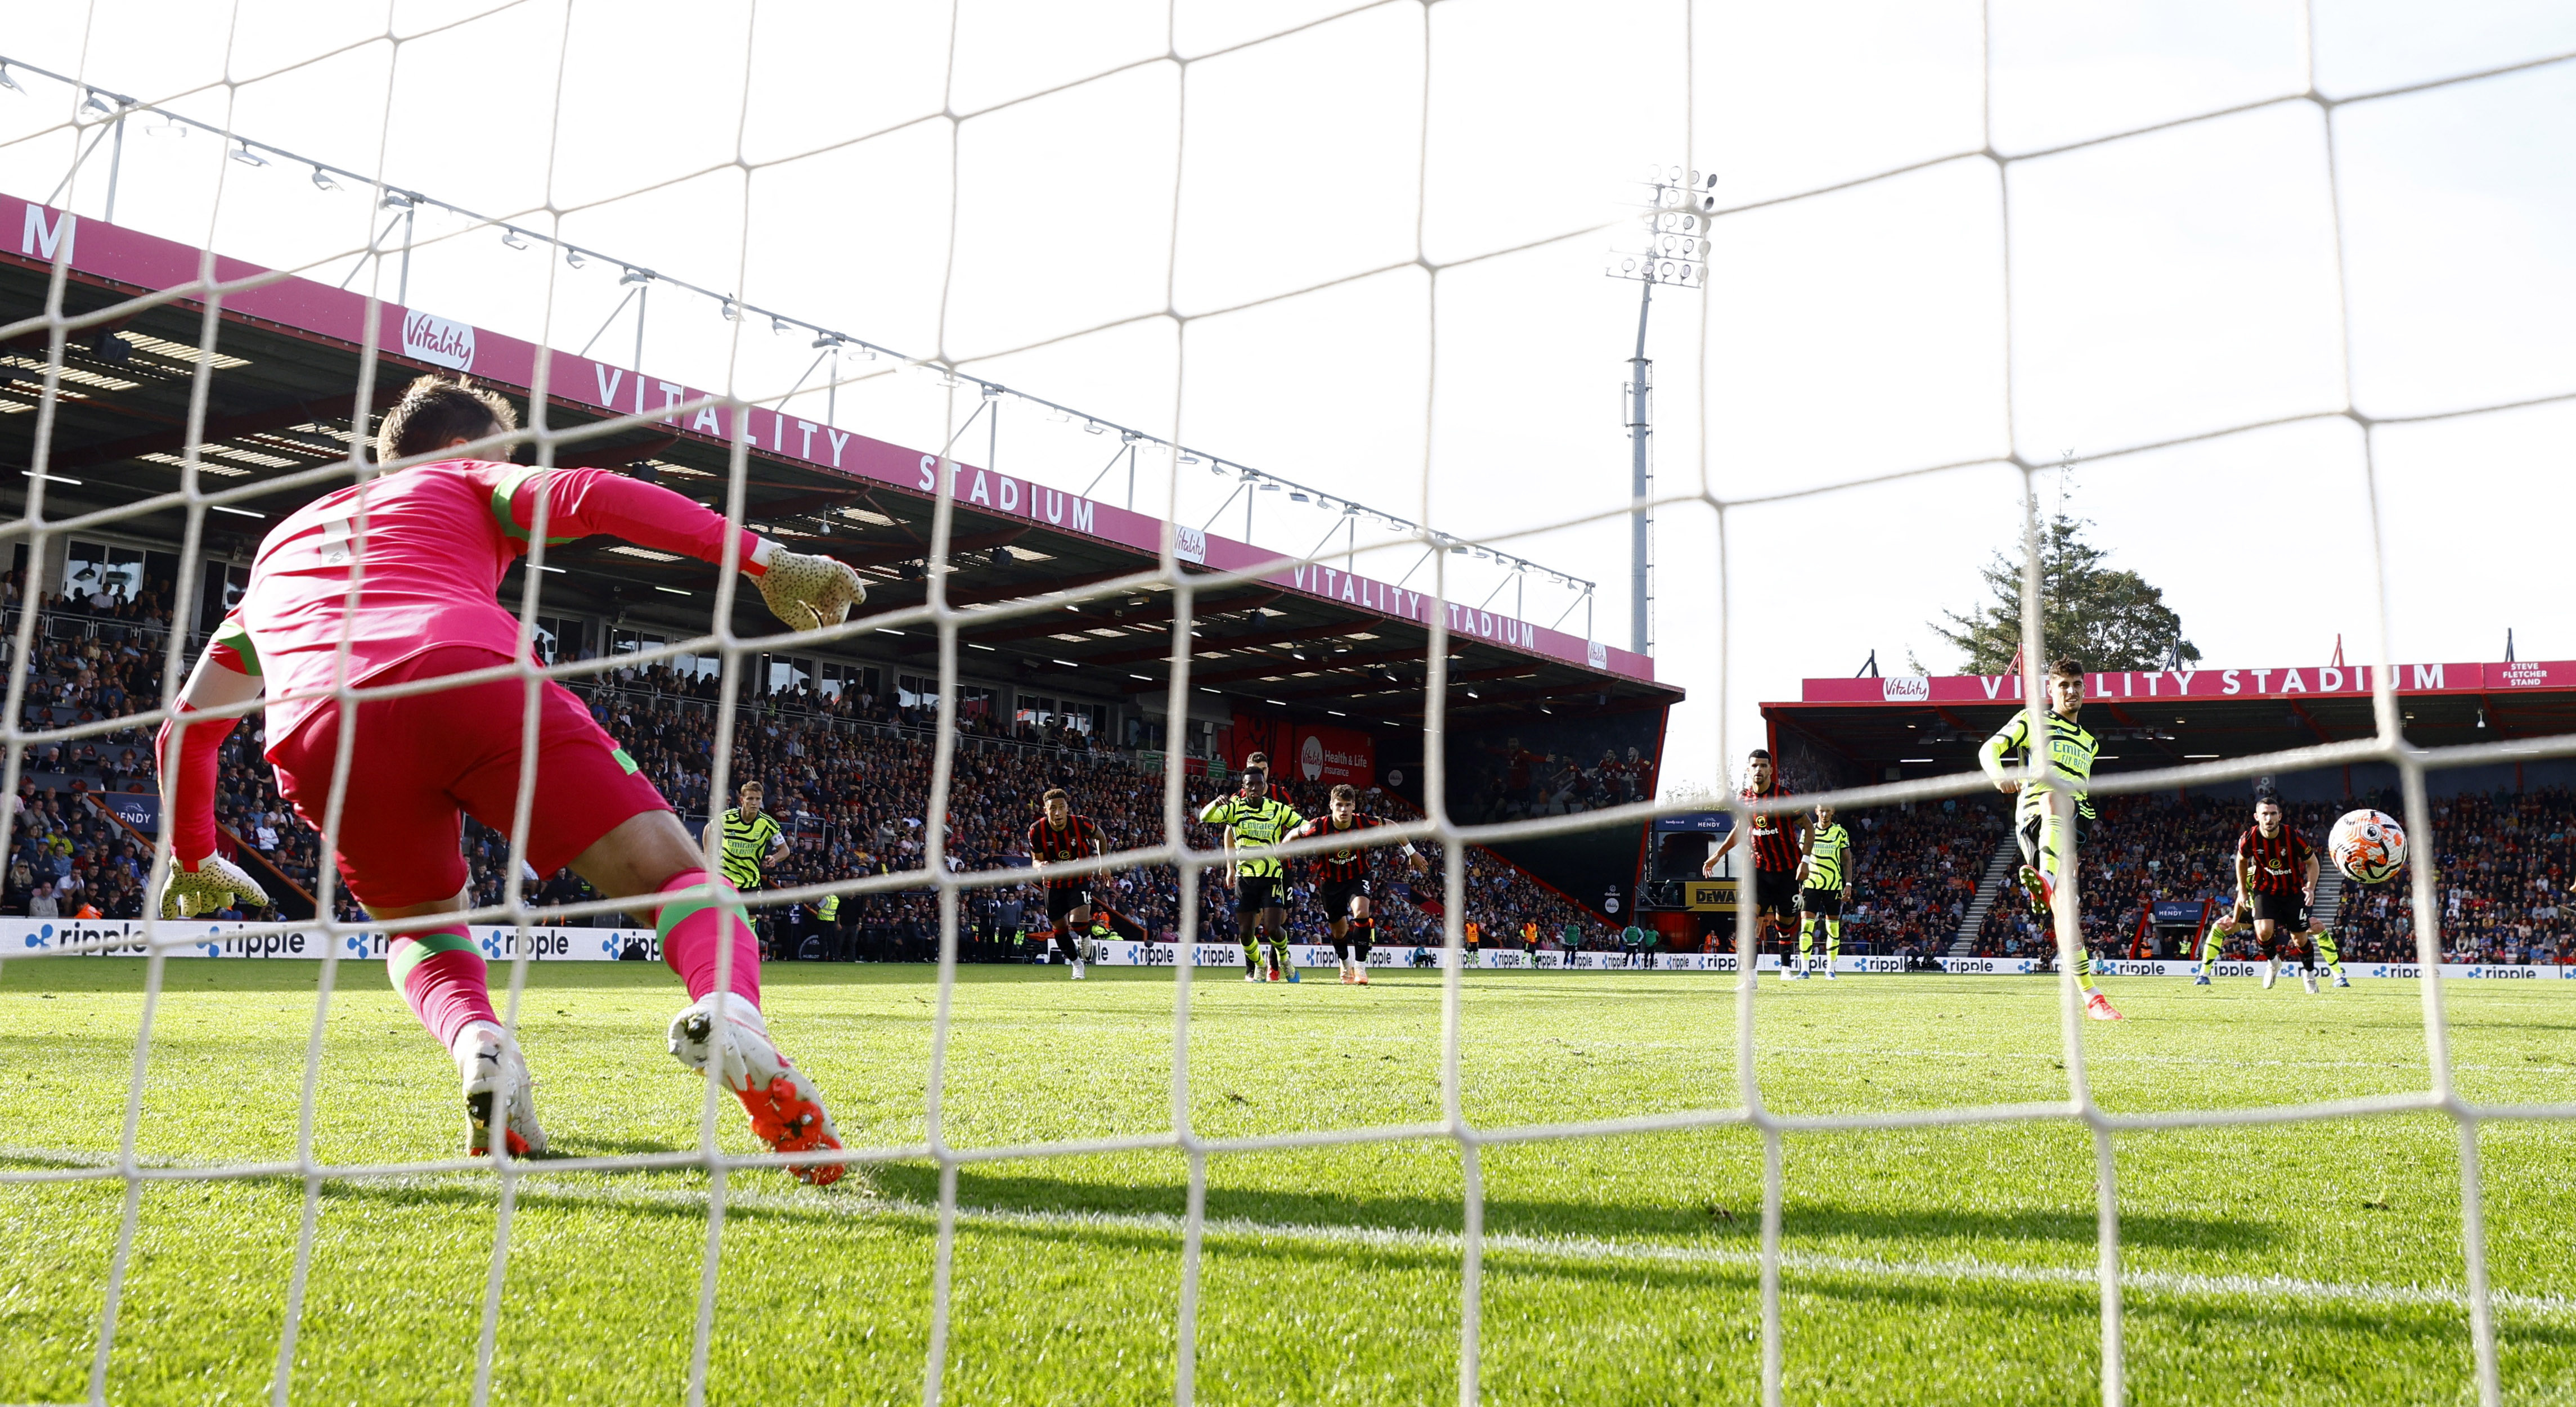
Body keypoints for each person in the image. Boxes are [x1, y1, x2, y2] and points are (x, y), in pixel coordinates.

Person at [154, 374, 866, 1181]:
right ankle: (731, 1016)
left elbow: (187, 730)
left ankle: (479, 1044)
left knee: (422, 928)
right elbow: (590, 495)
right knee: (673, 877)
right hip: (466, 672)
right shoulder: (460, 475)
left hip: (321, 731)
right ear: (466, 448)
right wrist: (764, 559)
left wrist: (193, 858)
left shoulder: (281, 549)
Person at [1978, 658, 2121, 1021]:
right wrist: (1998, 774)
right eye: (2063, 685)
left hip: (2072, 823)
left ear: (2085, 690)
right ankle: (2044, 876)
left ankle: (2093, 997)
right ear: (2051, 689)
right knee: (2055, 795)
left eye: (2077, 684)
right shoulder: (2033, 719)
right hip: (2034, 816)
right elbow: (1988, 749)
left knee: (2066, 910)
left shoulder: (2089, 743)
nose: (2070, 691)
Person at [2193, 791, 2340, 992]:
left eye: (2273, 814)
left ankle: (2309, 974)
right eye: (2265, 814)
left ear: (2280, 816)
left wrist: (2311, 888)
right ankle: (2273, 962)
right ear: (2257, 817)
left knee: (2300, 939)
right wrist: (2243, 891)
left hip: (2292, 892)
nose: (2269, 818)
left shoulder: (2293, 836)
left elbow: (2312, 862)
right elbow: (2242, 861)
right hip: (2265, 891)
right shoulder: (2250, 838)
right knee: (2263, 931)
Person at [1283, 783, 1428, 985]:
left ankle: (1360, 966)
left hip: (1357, 876)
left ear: (1354, 807)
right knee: (1339, 931)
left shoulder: (1363, 822)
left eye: (1348, 805)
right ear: (1331, 805)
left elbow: (1392, 825)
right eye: (1339, 805)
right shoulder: (1318, 826)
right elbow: (1292, 835)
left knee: (1361, 913)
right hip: (1330, 882)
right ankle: (1345, 963)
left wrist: (1412, 853)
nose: (1343, 810)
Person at [1702, 748, 1806, 983]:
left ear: (1771, 769)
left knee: (1784, 925)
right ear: (1748, 770)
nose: (1758, 770)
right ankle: (1750, 978)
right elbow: (1740, 830)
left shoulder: (1785, 797)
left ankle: (1786, 970)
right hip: (1758, 870)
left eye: (1763, 766)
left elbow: (1808, 827)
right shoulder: (1743, 799)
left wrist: (1806, 862)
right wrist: (1718, 854)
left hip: (1788, 871)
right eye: (1754, 766)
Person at [1197, 767, 1306, 981]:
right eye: (1250, 784)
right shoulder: (1234, 809)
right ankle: (1259, 964)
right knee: (1246, 933)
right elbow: (1204, 816)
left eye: (1259, 784)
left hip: (1273, 876)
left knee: (1274, 929)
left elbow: (1304, 826)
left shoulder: (1278, 809)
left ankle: (1285, 960)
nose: (1255, 788)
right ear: (1244, 787)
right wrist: (1215, 803)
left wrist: (1290, 841)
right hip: (1245, 878)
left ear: (1264, 786)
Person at [1026, 788, 1145, 979]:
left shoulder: (1081, 823)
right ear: (1045, 810)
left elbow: (1101, 837)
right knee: (1060, 930)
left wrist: (1103, 864)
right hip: (1053, 884)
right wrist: (1040, 866)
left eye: (1061, 808)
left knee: (1078, 923)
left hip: (1079, 879)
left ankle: (1085, 935)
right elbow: (1036, 860)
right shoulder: (1036, 830)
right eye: (1053, 808)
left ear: (1067, 808)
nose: (1057, 813)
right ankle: (1077, 964)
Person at [718, 781, 788, 952]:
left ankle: (745, 954)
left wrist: (775, 858)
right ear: (742, 800)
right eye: (750, 799)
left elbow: (785, 850)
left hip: (750, 881)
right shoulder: (726, 818)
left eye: (758, 799)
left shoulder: (767, 824)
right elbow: (708, 832)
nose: (755, 803)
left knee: (749, 923)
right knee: (722, 920)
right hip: (725, 880)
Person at [1797, 802, 1854, 980]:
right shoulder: (1808, 831)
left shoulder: (1840, 833)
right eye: (1822, 811)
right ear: (1816, 811)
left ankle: (1830, 970)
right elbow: (1799, 858)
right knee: (1806, 926)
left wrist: (1849, 884)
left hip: (1833, 886)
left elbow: (1847, 860)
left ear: (1833, 812)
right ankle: (1804, 970)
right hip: (1811, 884)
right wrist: (1798, 882)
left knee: (1833, 929)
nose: (1825, 814)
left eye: (1828, 811)